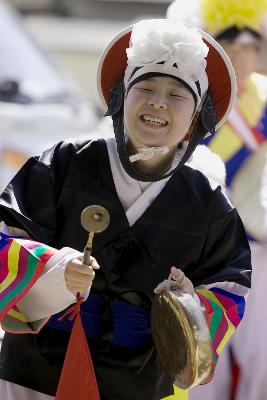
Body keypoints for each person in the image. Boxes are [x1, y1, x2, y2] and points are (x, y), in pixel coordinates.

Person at [0, 19, 251, 400]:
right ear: (120, 99)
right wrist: (54, 271)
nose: (158, 102)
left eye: (177, 95)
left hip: (138, 383)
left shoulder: (210, 206)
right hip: (32, 375)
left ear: (195, 119)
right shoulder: (63, 164)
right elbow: (5, 239)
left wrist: (187, 303)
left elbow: (228, 292)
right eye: (145, 88)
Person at [167, 1, 267, 399]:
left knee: (259, 356)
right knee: (203, 356)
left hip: (257, 248)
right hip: (203, 251)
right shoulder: (196, 106)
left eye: (250, 50)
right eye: (234, 50)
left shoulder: (262, 101)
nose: (243, 60)